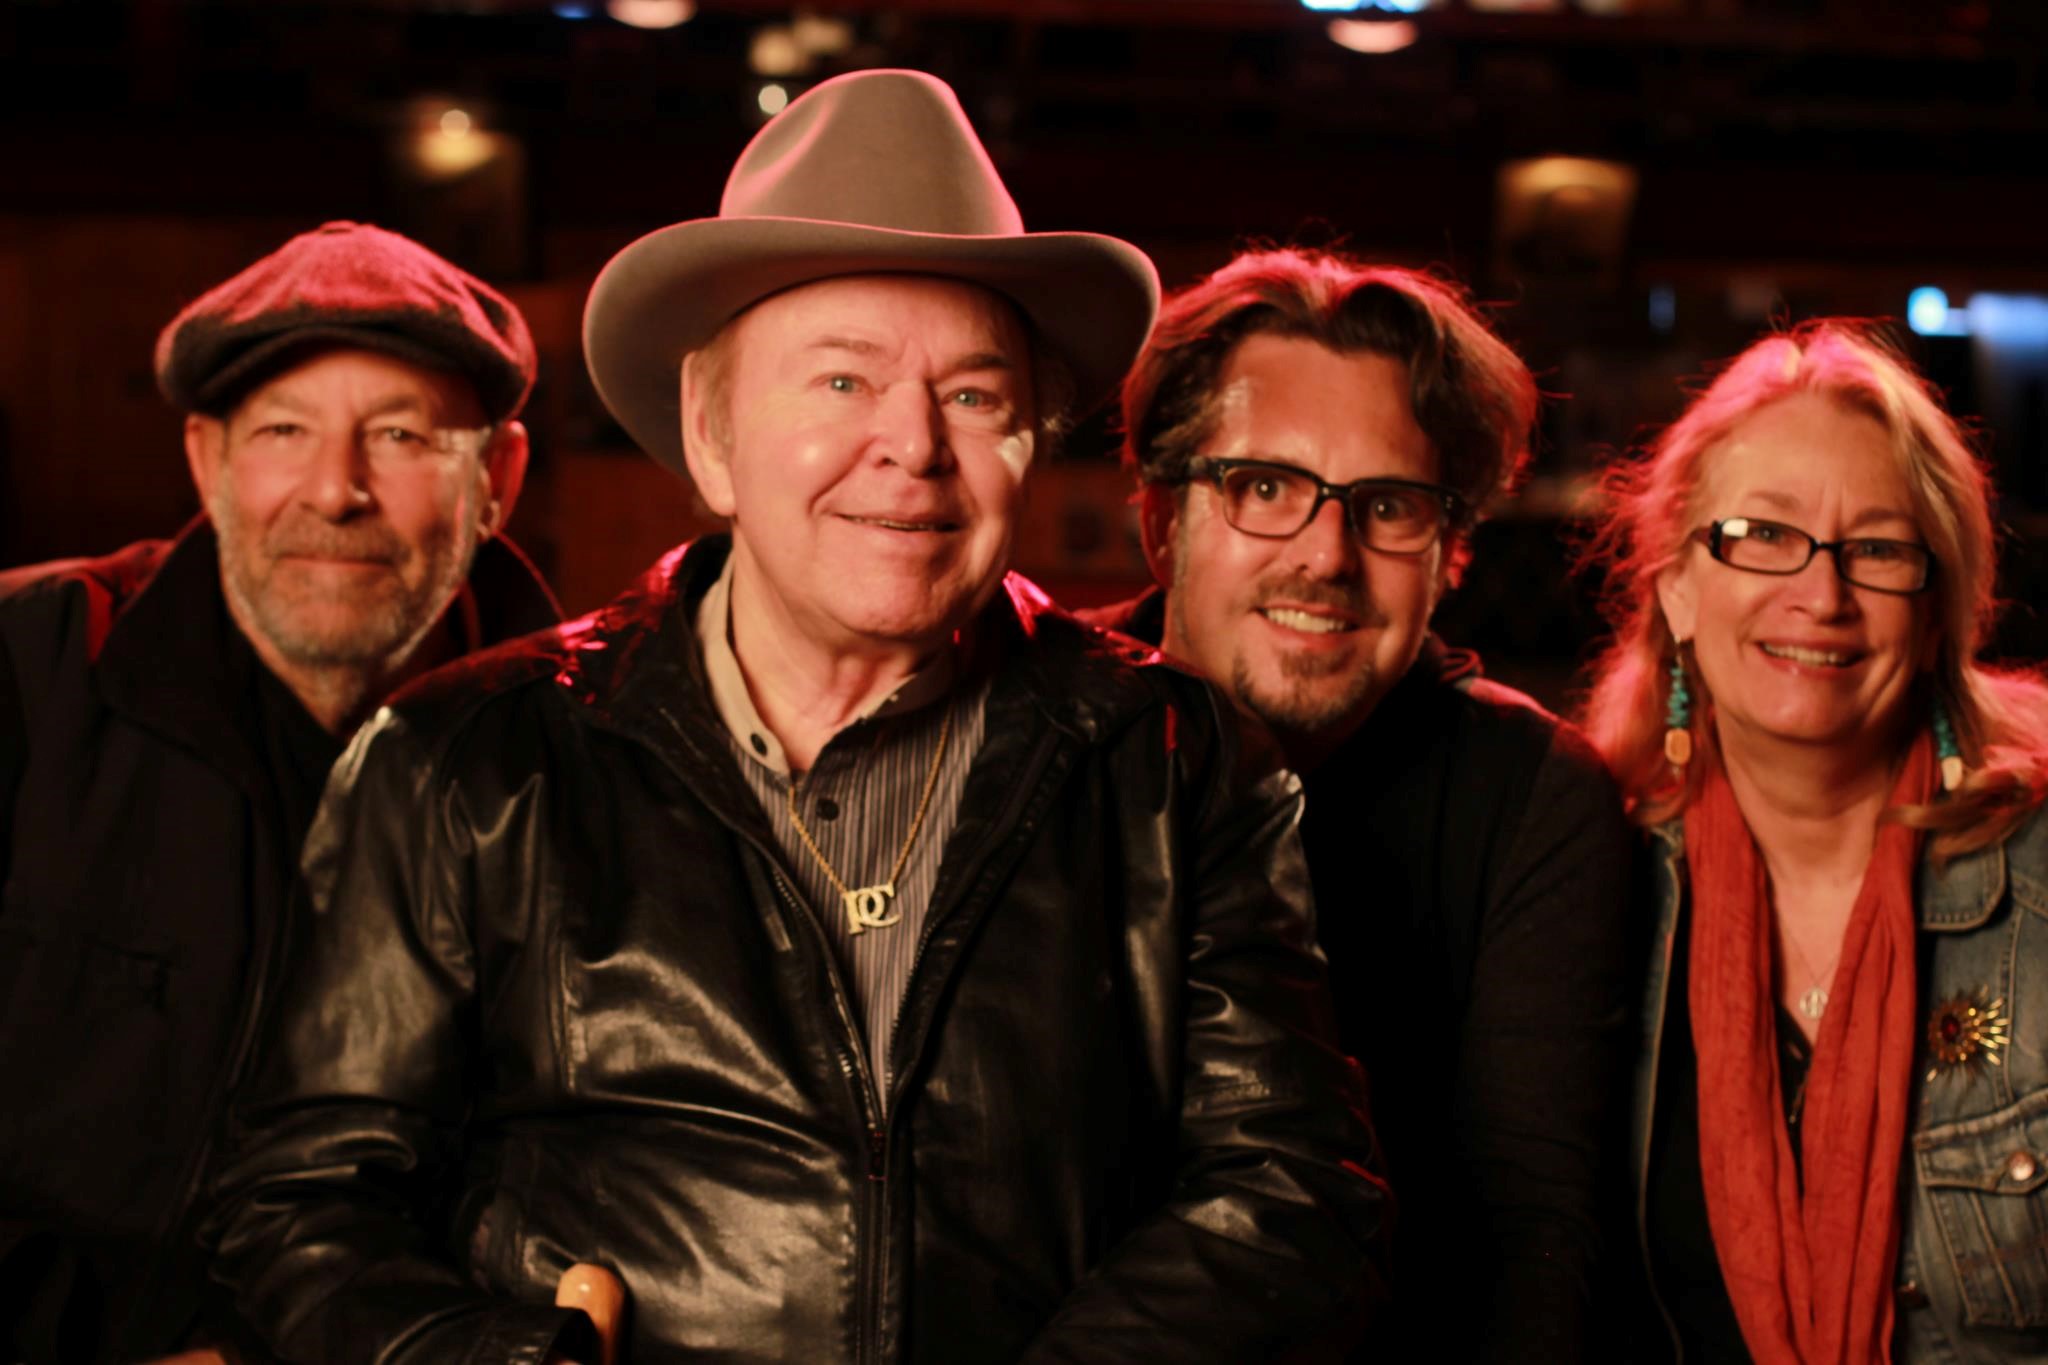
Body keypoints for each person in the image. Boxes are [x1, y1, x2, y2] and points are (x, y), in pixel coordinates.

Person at [204, 70, 1390, 1363]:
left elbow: (1292, 1195)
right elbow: (301, 1202)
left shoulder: (1174, 759)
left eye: (978, 396)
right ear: (711, 441)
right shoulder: (466, 761)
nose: (914, 447)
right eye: (840, 382)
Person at [0, 221, 560, 1362]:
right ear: (207, 462)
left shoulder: (583, 760)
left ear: (497, 477)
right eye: (283, 432)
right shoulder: (25, 670)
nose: (335, 490)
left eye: (399, 435)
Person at [1085, 246, 1635, 1361]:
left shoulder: (1533, 796)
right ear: (1159, 521)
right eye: (1265, 488)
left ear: (1450, 556)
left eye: (1385, 507)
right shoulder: (1036, 730)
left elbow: (1528, 1245)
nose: (1325, 557)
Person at [1580, 319, 2048, 1361]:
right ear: (1676, 587)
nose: (1822, 595)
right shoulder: (1585, 882)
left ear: (1936, 615)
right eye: (1762, 534)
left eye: (1877, 549)